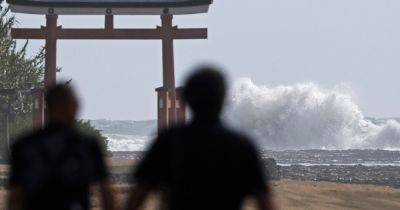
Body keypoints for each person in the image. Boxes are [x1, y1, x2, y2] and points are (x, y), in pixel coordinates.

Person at [125, 67, 276, 210]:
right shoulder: (241, 146)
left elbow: (137, 197)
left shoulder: (168, 140)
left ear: (186, 100)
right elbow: (265, 202)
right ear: (224, 100)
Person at [8, 84, 115, 210]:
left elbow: (15, 197)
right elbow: (106, 194)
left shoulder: (24, 144)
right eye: (75, 103)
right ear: (68, 106)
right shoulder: (87, 144)